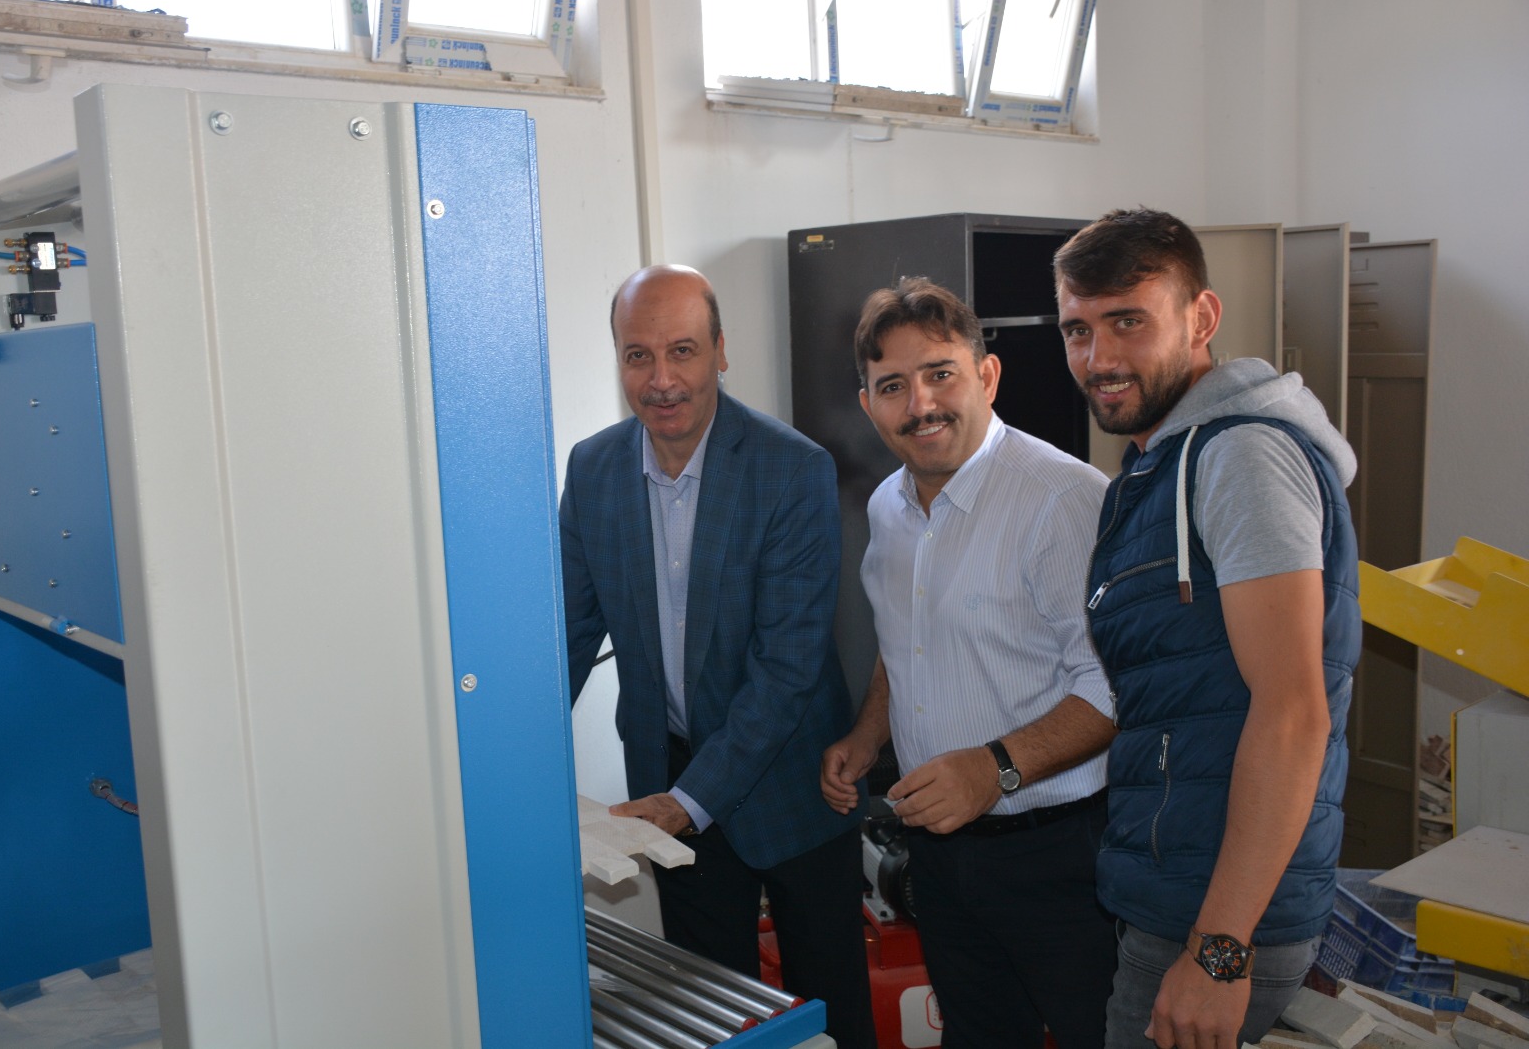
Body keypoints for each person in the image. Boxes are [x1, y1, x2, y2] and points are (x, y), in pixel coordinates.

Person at [1053, 208, 1360, 1049]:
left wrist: (1220, 952)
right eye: (1078, 329)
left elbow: (1294, 713)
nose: (1099, 358)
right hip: (1180, 890)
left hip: (1219, 917)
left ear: (1202, 318)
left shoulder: (1239, 457)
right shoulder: (1157, 468)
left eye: (1128, 321)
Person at [560, 264, 875, 1049]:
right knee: (709, 1019)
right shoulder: (592, 470)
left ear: (721, 351)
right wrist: (509, 777)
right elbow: (565, 637)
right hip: (669, 773)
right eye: (638, 356)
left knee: (829, 1016)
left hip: (795, 787)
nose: (661, 380)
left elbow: (788, 668)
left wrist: (687, 801)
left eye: (683, 351)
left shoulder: (792, 469)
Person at [820, 277, 1118, 1049]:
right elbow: (908, 641)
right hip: (941, 852)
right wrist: (868, 735)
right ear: (869, 405)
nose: (920, 404)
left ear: (987, 376)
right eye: (893, 386)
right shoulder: (887, 508)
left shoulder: (1063, 499)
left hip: (1061, 854)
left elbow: (1112, 684)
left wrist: (996, 769)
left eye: (940, 374)